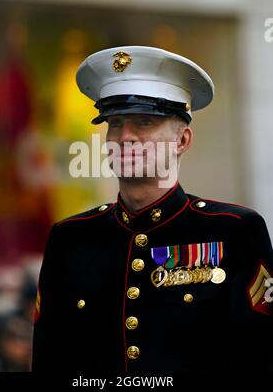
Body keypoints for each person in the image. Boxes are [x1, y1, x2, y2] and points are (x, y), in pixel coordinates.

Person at [32, 46, 273, 373]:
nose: (125, 137)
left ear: (183, 140)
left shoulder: (234, 230)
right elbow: (50, 358)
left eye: (144, 122)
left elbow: (260, 356)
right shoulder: (70, 239)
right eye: (114, 124)